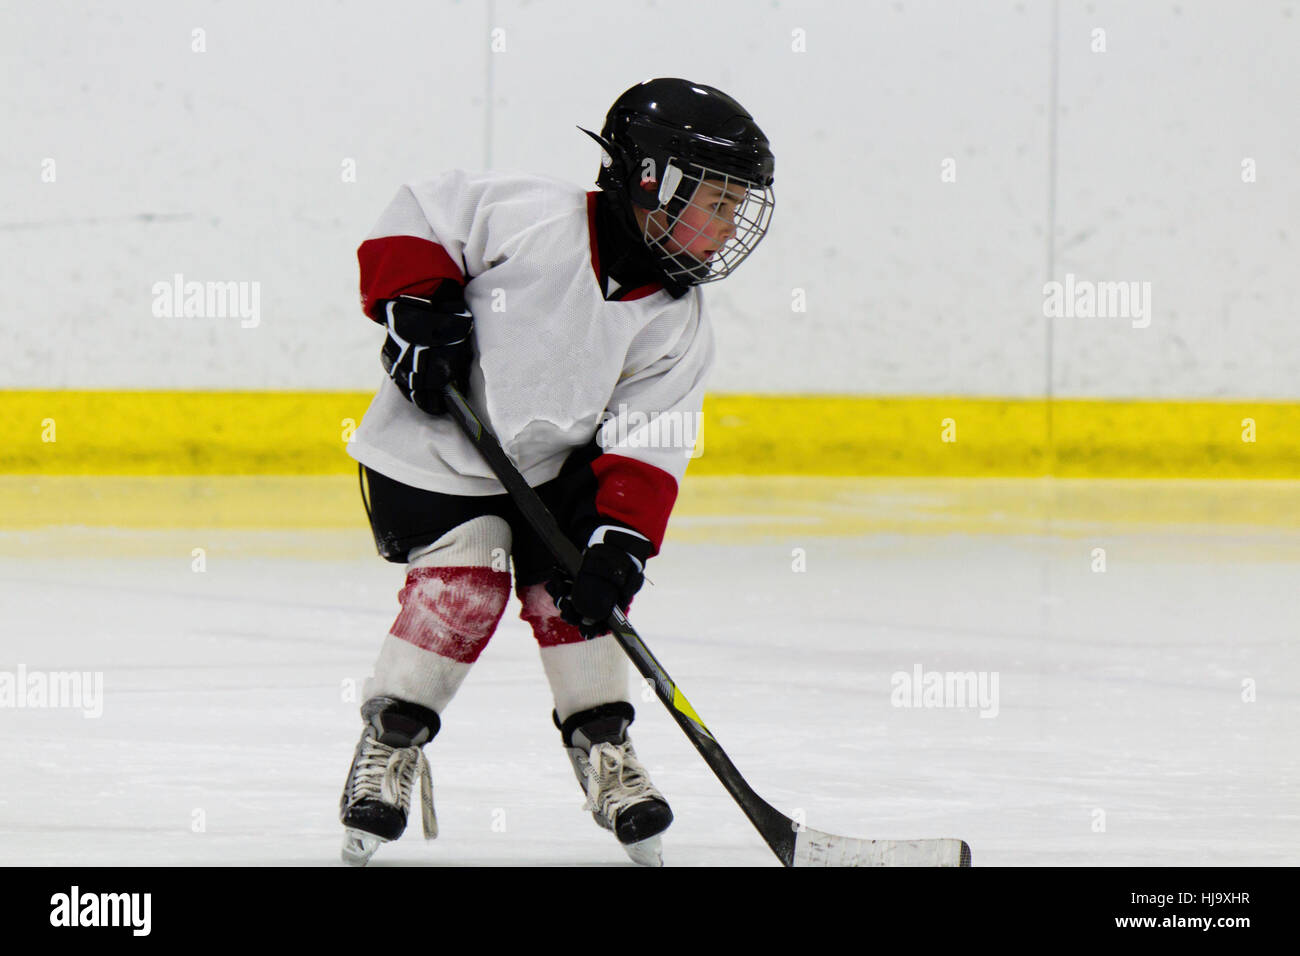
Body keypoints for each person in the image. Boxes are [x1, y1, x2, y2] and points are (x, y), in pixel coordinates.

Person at [338, 77, 775, 867]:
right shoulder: (530, 217)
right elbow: (419, 214)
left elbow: (649, 442)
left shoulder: (675, 322)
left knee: (581, 586)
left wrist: (621, 546)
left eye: (739, 206)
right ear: (652, 182)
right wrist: (416, 304)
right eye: (718, 200)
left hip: (546, 471)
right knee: (466, 586)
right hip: (427, 457)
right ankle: (392, 740)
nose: (729, 224)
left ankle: (605, 748)